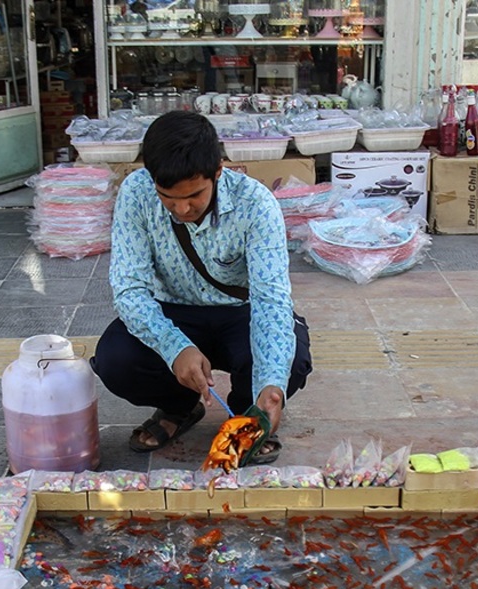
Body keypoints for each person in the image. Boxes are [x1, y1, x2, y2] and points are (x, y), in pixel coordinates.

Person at [91, 110, 312, 462]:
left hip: (239, 314)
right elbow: (129, 289)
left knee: (291, 360)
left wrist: (270, 383)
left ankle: (248, 415)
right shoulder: (136, 193)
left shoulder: (255, 204)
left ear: (218, 172)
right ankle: (178, 407)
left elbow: (271, 300)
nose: (181, 208)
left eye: (193, 195)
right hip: (174, 311)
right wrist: (174, 346)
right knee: (116, 359)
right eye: (168, 197)